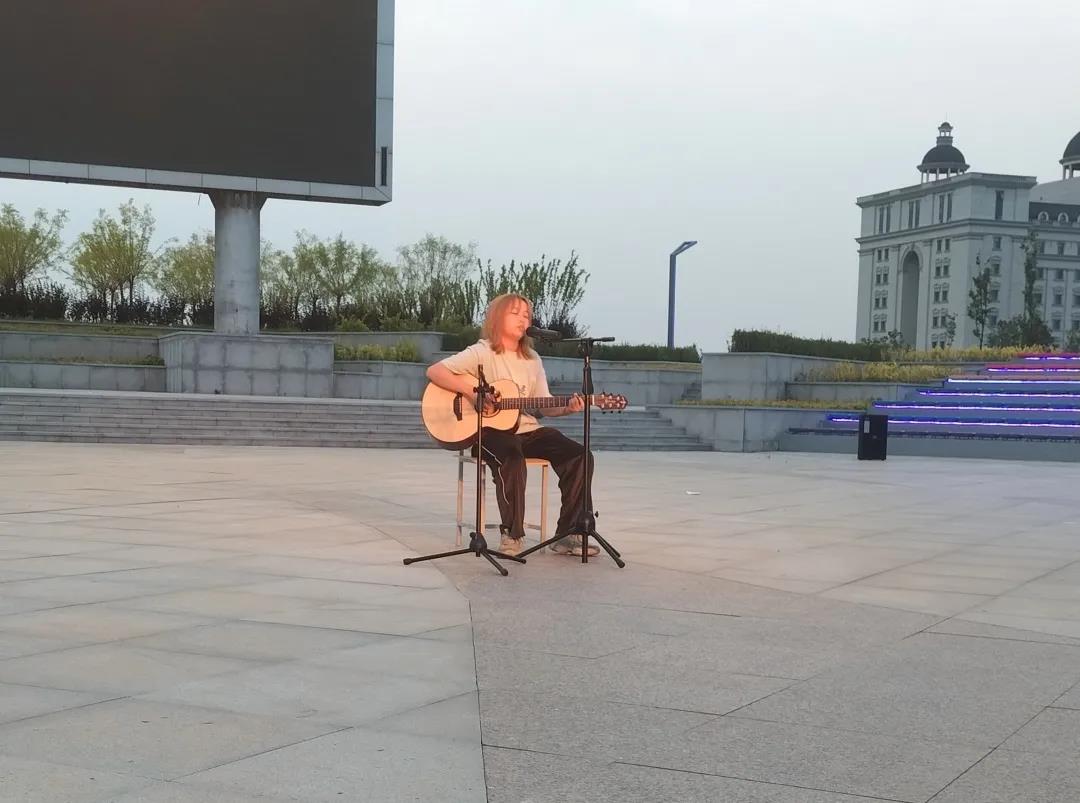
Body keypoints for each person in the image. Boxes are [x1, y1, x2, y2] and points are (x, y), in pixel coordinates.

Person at [426, 293, 599, 557]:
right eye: (515, 313)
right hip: (489, 432)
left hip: (528, 430)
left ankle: (568, 534)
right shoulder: (482, 351)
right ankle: (512, 534)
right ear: (497, 318)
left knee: (580, 456)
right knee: (512, 458)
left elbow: (544, 404)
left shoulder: (532, 359)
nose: (523, 319)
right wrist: (472, 393)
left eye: (527, 315)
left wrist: (567, 407)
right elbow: (435, 371)